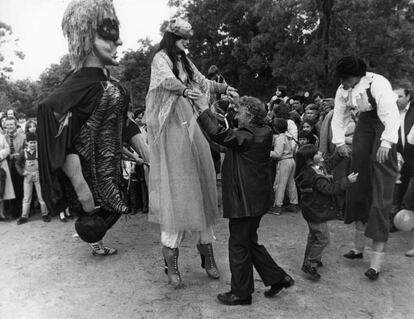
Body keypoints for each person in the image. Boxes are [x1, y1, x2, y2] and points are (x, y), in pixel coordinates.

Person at [146, 18, 238, 288]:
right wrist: (186, 91)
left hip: (189, 117)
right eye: (183, 38)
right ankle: (172, 266)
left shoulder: (184, 60)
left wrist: (223, 88)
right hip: (170, 120)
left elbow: (202, 81)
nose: (187, 43)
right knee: (178, 181)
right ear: (172, 36)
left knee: (201, 177)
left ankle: (207, 258)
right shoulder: (160, 58)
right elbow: (166, 82)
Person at [38, 0, 130, 256]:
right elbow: (48, 110)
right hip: (91, 175)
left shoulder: (113, 84)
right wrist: (77, 178)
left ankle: (94, 239)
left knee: (119, 205)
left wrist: (143, 150)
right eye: (108, 33)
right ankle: (93, 238)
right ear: (87, 37)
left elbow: (125, 123)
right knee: (102, 212)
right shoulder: (78, 84)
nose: (118, 42)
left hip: (112, 168)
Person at [196, 96, 294, 305]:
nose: (236, 114)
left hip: (246, 202)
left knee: (239, 245)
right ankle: (278, 278)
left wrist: (203, 111)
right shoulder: (261, 132)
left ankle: (241, 293)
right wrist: (202, 123)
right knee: (248, 242)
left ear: (249, 115)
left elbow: (220, 134)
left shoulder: (249, 134)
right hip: (255, 201)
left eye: (239, 111)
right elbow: (223, 144)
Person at [331, 56, 400, 280]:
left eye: (346, 78)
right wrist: (340, 141)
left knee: (381, 188)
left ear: (357, 76)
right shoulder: (343, 90)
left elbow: (391, 115)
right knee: (357, 182)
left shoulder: (378, 84)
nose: (342, 83)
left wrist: (387, 143)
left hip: (384, 127)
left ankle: (376, 263)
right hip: (364, 125)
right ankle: (358, 247)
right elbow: (339, 115)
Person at [295, 145, 358, 281]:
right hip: (316, 212)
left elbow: (329, 163)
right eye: (317, 153)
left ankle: (310, 259)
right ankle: (311, 263)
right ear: (309, 160)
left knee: (314, 237)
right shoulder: (312, 176)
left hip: (312, 210)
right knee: (323, 238)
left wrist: (340, 154)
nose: (320, 153)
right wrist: (347, 180)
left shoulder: (317, 168)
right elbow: (330, 189)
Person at [15, 132, 50, 224]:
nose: (33, 144)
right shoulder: (23, 152)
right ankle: (24, 216)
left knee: (41, 196)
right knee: (27, 197)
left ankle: (45, 214)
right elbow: (17, 164)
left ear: (37, 142)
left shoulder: (40, 151)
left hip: (38, 175)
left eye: (34, 142)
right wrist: (22, 172)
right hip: (27, 176)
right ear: (27, 142)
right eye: (31, 142)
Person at [269, 118, 299, 215]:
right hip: (291, 160)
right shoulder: (287, 136)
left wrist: (267, 152)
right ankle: (294, 203)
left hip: (284, 161)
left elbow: (277, 154)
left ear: (275, 128)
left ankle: (278, 206)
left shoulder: (280, 138)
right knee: (291, 183)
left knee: (279, 184)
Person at [4, 117, 25, 219]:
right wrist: (8, 156)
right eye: (7, 125)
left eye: (11, 124)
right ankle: (13, 211)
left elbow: (27, 148)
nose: (9, 127)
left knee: (20, 188)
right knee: (10, 188)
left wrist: (19, 154)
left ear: (16, 125)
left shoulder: (22, 137)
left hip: (20, 165)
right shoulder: (3, 137)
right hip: (8, 165)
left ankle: (23, 211)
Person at [0, 133, 15, 220]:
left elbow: (7, 149)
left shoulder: (1, 137)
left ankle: (1, 213)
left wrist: (0, 155)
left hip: (1, 164)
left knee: (1, 190)